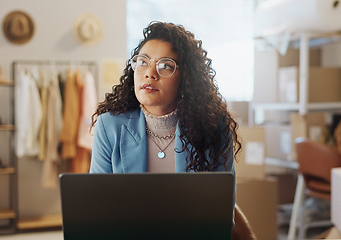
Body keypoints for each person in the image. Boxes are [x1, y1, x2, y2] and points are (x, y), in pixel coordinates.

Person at [90, 20, 248, 239]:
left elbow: (220, 216)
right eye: (143, 62)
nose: (150, 73)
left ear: (186, 79)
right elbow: (97, 209)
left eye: (165, 65)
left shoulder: (214, 127)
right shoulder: (109, 126)